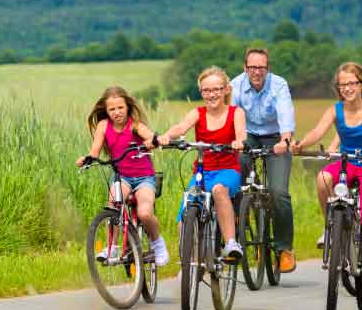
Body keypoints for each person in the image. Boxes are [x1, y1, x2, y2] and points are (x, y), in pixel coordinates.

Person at [291, 62, 362, 306]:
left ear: (361, 84)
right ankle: (330, 227)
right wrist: (301, 144)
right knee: (323, 178)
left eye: (351, 83)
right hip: (346, 164)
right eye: (342, 84)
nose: (346, 88)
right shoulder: (335, 110)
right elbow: (318, 132)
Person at [157, 67, 245, 259]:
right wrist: (166, 136)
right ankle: (190, 263)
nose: (212, 94)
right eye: (206, 90)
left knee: (219, 191)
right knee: (183, 218)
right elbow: (181, 127)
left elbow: (241, 132)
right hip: (202, 172)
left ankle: (231, 242)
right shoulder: (198, 113)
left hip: (227, 170)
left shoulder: (235, 112)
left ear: (225, 90)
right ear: (201, 92)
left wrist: (239, 141)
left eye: (216, 89)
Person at [76, 86, 170, 266]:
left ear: (127, 107)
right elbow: (94, 151)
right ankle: (112, 246)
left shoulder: (135, 125)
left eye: (120, 108)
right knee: (113, 207)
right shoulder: (103, 126)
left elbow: (150, 137)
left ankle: (157, 243)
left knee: (144, 212)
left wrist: (155, 140)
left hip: (144, 178)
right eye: (112, 109)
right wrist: (87, 159)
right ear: (106, 111)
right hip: (123, 177)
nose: (117, 112)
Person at [231, 48, 297, 273]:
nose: (256, 72)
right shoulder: (236, 85)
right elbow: (230, 114)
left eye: (261, 68)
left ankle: (284, 248)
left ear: (268, 69)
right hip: (247, 134)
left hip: (276, 136)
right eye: (252, 67)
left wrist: (285, 139)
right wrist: (235, 140)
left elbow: (285, 112)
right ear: (245, 68)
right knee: (237, 166)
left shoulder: (278, 85)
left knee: (278, 191)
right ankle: (240, 220)